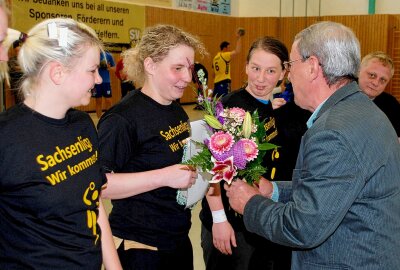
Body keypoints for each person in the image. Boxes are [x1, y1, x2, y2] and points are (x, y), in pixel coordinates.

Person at [225, 21, 400, 269]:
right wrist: (274, 191)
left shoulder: (333, 132)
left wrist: (250, 203)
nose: (288, 74)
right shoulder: (361, 110)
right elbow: (330, 189)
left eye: (290, 65)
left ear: (313, 67)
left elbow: (303, 227)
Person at [0, 18, 122, 269]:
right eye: (91, 70)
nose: (99, 80)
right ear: (57, 72)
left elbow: (93, 201)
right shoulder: (7, 138)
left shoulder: (82, 124)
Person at [97, 24, 206, 270]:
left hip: (176, 239)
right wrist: (164, 177)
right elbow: (100, 185)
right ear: (150, 65)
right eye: (177, 68)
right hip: (141, 247)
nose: (188, 78)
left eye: (188, 68)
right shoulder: (122, 119)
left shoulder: (176, 110)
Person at [201, 36, 294, 270]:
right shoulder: (234, 107)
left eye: (270, 71)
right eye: (255, 68)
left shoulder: (267, 105)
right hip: (231, 226)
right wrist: (219, 219)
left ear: (283, 73)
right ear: (245, 67)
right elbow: (212, 167)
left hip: (254, 218)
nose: (261, 78)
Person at [358, 51, 400, 141]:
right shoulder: (340, 95)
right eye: (372, 75)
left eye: (383, 80)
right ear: (358, 71)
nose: (375, 83)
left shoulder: (391, 104)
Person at [212, 28, 244, 98]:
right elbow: (237, 51)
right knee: (226, 100)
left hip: (216, 82)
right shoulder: (225, 55)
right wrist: (239, 38)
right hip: (224, 81)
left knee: (216, 102)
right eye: (228, 48)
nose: (229, 50)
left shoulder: (215, 58)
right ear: (224, 48)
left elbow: (213, 74)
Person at [92, 50, 115, 118]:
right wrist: (96, 66)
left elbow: (114, 68)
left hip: (106, 82)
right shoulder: (92, 55)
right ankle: (99, 119)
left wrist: (108, 67)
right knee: (98, 101)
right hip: (96, 82)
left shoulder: (108, 55)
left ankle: (108, 119)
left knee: (108, 101)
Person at [8, 40, 23, 104]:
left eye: (19, 51)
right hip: (16, 82)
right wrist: (23, 68)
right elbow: (13, 68)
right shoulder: (12, 59)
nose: (18, 52)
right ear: (15, 51)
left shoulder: (24, 59)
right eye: (17, 51)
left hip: (25, 81)